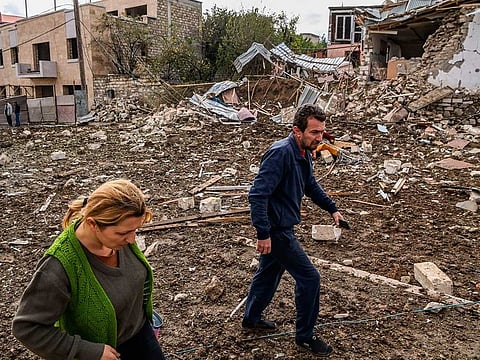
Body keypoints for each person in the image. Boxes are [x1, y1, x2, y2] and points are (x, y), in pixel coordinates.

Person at [12, 179, 165, 360]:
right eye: (123, 233)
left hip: (140, 336)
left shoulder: (117, 237)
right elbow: (28, 328)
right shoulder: (58, 267)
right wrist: (88, 351)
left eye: (136, 230)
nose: (132, 240)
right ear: (93, 224)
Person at [242, 103, 344, 357]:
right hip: (277, 231)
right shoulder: (281, 153)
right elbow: (257, 194)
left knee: (268, 274)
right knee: (310, 278)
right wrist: (263, 233)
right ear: (296, 131)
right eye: (314, 133)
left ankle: (251, 318)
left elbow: (310, 185)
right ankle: (305, 337)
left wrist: (332, 209)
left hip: (281, 226)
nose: (319, 138)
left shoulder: (304, 153)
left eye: (321, 133)